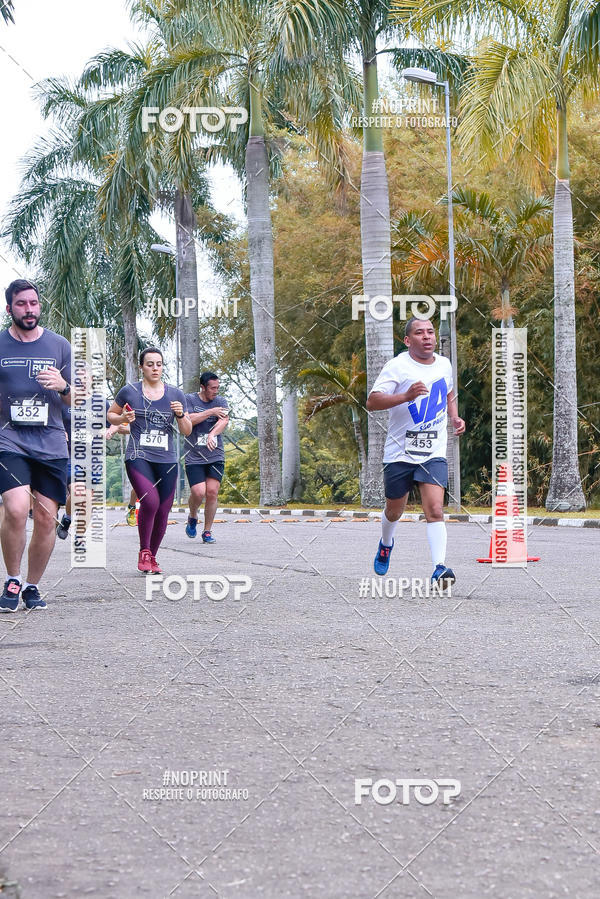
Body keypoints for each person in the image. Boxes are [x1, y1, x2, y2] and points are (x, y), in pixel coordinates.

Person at [366, 317, 465, 587]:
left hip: (433, 451)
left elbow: (449, 393)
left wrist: (455, 418)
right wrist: (406, 396)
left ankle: (440, 568)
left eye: (430, 332)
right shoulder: (397, 366)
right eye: (419, 333)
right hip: (400, 452)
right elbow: (372, 402)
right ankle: (386, 543)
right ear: (408, 340)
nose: (427, 337)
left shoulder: (444, 364)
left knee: (434, 509)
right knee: (394, 510)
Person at [0, 279, 71, 611]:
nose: (29, 310)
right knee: (15, 508)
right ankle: (12, 580)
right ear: (9, 308)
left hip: (51, 443)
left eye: (33, 303)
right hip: (9, 440)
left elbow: (80, 397)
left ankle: (31, 586)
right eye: (21, 304)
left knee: (46, 519)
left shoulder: (60, 346)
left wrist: (63, 384)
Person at [107, 347, 191, 573]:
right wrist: (123, 417)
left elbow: (186, 430)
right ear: (141, 367)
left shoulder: (176, 395)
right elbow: (111, 415)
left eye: (159, 364)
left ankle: (152, 557)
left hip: (167, 459)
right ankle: (144, 551)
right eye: (150, 364)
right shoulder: (130, 391)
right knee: (150, 501)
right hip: (138, 456)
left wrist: (181, 415)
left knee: (163, 510)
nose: (155, 368)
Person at [56, 395, 128, 540]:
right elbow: (51, 421)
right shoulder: (62, 399)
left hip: (93, 456)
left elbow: (113, 420)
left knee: (88, 497)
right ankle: (68, 517)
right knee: (77, 492)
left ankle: (79, 536)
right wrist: (57, 431)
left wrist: (111, 430)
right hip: (70, 454)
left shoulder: (100, 402)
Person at [184, 372, 229, 543]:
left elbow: (224, 421)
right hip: (194, 455)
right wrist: (211, 412)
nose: (216, 391)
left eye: (218, 387)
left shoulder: (221, 401)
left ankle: (207, 531)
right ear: (202, 387)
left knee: (212, 492)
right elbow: (188, 420)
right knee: (198, 492)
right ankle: (193, 515)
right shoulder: (189, 400)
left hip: (215, 454)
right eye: (212, 388)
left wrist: (212, 435)